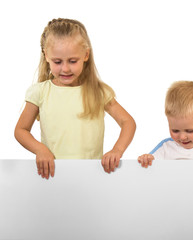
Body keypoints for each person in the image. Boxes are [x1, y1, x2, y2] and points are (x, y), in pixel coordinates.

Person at [14, 18, 136, 179]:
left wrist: (117, 150)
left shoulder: (98, 91)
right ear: (46, 56)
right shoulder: (40, 92)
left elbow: (128, 122)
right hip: (53, 175)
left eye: (72, 61)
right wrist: (40, 150)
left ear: (86, 55)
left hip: (92, 175)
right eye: (57, 61)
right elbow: (21, 130)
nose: (65, 68)